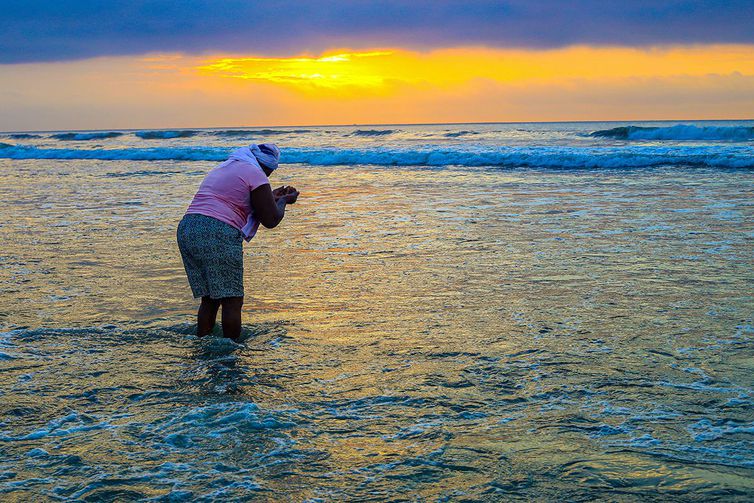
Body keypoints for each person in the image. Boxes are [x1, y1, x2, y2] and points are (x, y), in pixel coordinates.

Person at [176, 143, 299, 341]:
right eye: (270, 172)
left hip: (188, 228)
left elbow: (238, 199)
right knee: (232, 299)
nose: (268, 177)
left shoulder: (226, 166)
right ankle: (231, 353)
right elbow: (270, 219)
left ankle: (203, 344)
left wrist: (271, 196)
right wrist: (285, 201)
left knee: (210, 298)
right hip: (217, 231)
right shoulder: (256, 173)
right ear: (267, 166)